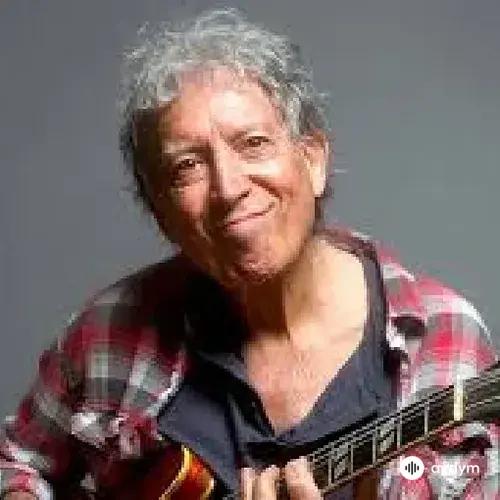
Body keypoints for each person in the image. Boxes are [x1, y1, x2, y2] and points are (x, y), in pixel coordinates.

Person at [1, 8, 498, 500]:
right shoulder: (107, 332)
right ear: (158, 210)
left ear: (314, 160)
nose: (228, 188)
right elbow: (15, 465)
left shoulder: (446, 338)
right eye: (187, 166)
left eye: (253, 143)